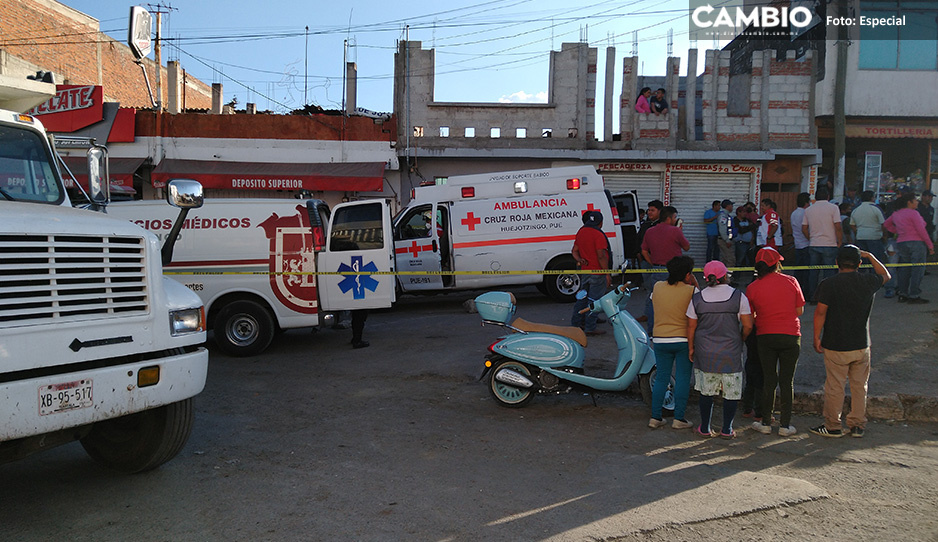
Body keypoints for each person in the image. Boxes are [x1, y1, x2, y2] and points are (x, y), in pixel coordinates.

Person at [810, 245, 891, 438]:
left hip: (835, 343)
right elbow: (886, 275)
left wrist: (816, 336)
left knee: (835, 386)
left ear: (837, 262)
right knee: (859, 386)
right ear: (859, 263)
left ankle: (832, 425)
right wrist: (871, 254)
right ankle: (857, 425)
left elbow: (820, 312)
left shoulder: (829, 284)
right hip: (862, 343)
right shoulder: (868, 281)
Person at [686, 261, 753, 438]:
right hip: (731, 352)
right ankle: (727, 429)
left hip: (705, 352)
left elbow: (691, 327)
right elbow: (748, 325)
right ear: (725, 276)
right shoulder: (739, 297)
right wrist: (741, 338)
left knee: (706, 391)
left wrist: (691, 348)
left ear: (706, 278)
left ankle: (705, 428)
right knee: (731, 393)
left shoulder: (697, 299)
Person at [745, 247, 805, 437]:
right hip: (791, 335)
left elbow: (750, 317)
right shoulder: (791, 281)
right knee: (787, 382)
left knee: (769, 380)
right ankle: (785, 425)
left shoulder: (752, 287)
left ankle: (765, 422)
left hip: (765, 336)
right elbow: (799, 311)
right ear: (776, 264)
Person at [647, 255, 697, 430]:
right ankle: (679, 418)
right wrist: (694, 283)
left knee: (662, 377)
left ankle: (655, 417)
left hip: (660, 339)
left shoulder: (658, 287)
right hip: (683, 340)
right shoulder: (691, 291)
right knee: (683, 377)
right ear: (687, 274)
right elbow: (699, 305)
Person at [641, 206, 690, 333]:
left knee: (655, 300)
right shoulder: (675, 231)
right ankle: (676, 329)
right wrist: (680, 230)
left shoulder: (650, 231)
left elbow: (644, 250)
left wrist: (653, 263)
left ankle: (652, 330)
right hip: (675, 270)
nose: (675, 219)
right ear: (669, 218)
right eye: (674, 217)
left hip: (657, 270)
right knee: (678, 300)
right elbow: (686, 247)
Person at [884, 193, 935, 303]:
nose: (917, 202)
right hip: (916, 242)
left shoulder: (896, 213)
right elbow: (922, 230)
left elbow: (886, 224)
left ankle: (903, 293)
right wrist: (930, 245)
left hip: (902, 241)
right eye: (915, 200)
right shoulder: (913, 213)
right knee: (918, 269)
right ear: (909, 202)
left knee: (904, 268)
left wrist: (897, 231)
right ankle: (914, 294)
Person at [570, 211, 611, 335]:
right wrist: (607, 273)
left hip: (585, 271)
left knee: (582, 298)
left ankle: (576, 324)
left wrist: (579, 260)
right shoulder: (598, 235)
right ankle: (590, 327)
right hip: (597, 273)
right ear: (601, 222)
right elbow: (601, 255)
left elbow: (574, 251)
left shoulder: (581, 231)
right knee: (594, 300)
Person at [850, 190, 895, 296]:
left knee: (862, 261)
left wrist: (859, 231)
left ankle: (861, 281)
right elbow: (883, 224)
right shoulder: (875, 208)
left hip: (860, 237)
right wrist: (884, 235)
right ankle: (875, 282)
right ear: (872, 198)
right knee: (876, 260)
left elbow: (852, 225)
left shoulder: (856, 210)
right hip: (874, 237)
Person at [802, 187, 842, 301]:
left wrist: (810, 238)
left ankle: (813, 296)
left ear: (815, 197)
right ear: (828, 197)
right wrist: (839, 241)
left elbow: (804, 228)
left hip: (814, 244)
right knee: (828, 272)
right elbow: (838, 227)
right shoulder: (833, 208)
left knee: (813, 272)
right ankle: (827, 297)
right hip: (830, 243)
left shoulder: (809, 210)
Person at [790, 192, 811, 295]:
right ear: (806, 202)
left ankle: (796, 290)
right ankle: (805, 292)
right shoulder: (805, 213)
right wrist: (810, 239)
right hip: (806, 244)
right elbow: (805, 229)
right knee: (807, 271)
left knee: (798, 270)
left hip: (798, 244)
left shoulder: (794, 213)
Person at [717, 199, 736, 268]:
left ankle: (724, 276)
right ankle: (728, 277)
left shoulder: (726, 215)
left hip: (725, 240)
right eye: (731, 205)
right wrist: (727, 240)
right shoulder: (723, 216)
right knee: (730, 260)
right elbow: (722, 229)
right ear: (728, 206)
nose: (732, 207)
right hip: (724, 241)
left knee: (725, 259)